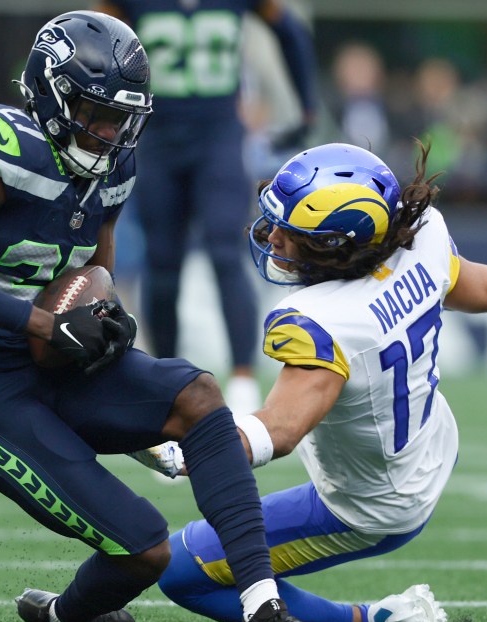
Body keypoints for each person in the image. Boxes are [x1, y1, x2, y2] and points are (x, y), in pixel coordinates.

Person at [0, 11, 340, 622]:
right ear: (51, 95)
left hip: (49, 360)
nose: (108, 132)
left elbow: (96, 272)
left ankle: (263, 608)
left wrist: (104, 326)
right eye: (93, 112)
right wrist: (45, 323)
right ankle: (65, 615)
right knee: (144, 547)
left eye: (121, 117)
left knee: (198, 396)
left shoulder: (114, 165)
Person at [133, 142, 487, 622]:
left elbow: (278, 430)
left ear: (336, 248)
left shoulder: (319, 321)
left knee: (183, 574)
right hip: (429, 445)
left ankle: (372, 615)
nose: (274, 238)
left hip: (369, 504)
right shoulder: (416, 243)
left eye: (293, 233)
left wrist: (188, 451)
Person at [95, 0, 319, 413]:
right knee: (163, 263)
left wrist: (306, 103)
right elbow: (95, 39)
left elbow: (288, 30)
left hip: (219, 137)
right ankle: (165, 380)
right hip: (157, 136)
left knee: (223, 248)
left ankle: (243, 377)